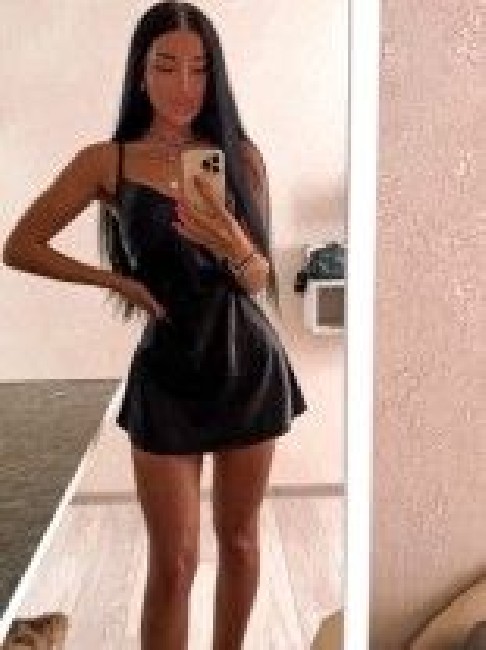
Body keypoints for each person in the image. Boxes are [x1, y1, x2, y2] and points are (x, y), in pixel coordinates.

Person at [3, 2, 308, 648]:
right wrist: (116, 282)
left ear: (214, 76)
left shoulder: (241, 157)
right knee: (173, 564)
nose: (183, 85)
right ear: (140, 73)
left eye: (199, 69)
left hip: (246, 365)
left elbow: (257, 281)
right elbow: (20, 245)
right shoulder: (106, 162)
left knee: (241, 541)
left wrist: (231, 240)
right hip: (166, 373)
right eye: (166, 66)